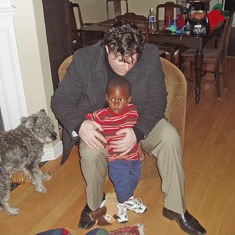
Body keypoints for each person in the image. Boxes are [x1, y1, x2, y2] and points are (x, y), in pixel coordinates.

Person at [51, 19, 206, 234]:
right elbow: (60, 100)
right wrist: (81, 125)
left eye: (131, 61)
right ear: (107, 48)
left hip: (138, 120)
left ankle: (175, 208)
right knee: (92, 154)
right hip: (99, 126)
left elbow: (158, 99)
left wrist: (137, 133)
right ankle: (94, 204)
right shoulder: (84, 59)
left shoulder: (149, 56)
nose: (126, 66)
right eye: (120, 60)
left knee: (169, 137)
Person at [86, 76, 146, 223]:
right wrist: (98, 133)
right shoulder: (102, 115)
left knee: (133, 179)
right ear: (107, 98)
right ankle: (121, 205)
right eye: (112, 99)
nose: (117, 104)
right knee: (121, 182)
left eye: (121, 100)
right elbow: (88, 120)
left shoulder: (133, 111)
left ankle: (127, 199)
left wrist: (140, 148)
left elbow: (137, 131)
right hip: (116, 160)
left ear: (129, 99)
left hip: (133, 157)